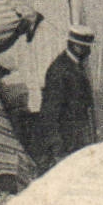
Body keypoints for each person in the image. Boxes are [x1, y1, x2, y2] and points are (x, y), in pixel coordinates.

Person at [37, 25, 95, 168]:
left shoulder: (75, 66)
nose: (89, 52)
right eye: (85, 47)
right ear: (76, 46)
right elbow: (50, 111)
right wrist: (57, 148)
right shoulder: (60, 69)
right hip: (66, 142)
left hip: (77, 140)